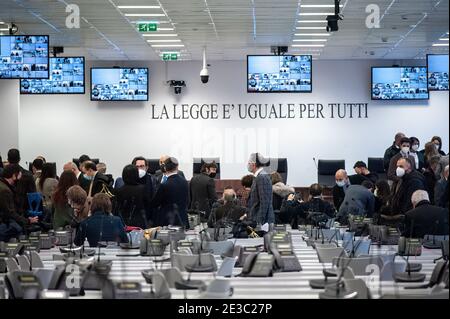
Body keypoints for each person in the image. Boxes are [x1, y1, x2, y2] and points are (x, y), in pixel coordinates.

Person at [0, 164, 38, 241]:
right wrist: (27, 221)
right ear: (14, 175)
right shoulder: (5, 191)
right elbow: (10, 213)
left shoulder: (3, 186)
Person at [150, 157, 189, 227]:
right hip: (182, 218)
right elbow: (187, 200)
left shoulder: (164, 185)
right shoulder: (185, 182)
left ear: (165, 168)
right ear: (177, 167)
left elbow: (155, 203)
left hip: (168, 220)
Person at [115, 165, 150, 229]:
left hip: (123, 221)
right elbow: (148, 205)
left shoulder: (118, 190)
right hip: (139, 221)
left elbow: (117, 208)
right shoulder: (143, 189)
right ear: (136, 175)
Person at [246, 153, 275, 229]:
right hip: (259, 219)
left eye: (249, 163)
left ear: (254, 164)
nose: (247, 165)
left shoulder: (262, 177)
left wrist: (259, 223)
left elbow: (264, 203)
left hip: (263, 222)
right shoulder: (259, 177)